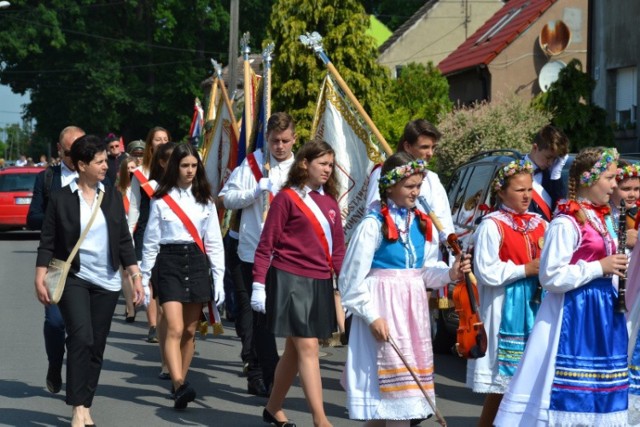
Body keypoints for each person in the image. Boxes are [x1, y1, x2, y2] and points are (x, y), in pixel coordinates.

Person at [494, 147, 629, 426]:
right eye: (610, 178)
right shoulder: (566, 222)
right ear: (588, 179)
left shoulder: (605, 218)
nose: (615, 185)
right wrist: (598, 267)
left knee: (601, 390)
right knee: (566, 390)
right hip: (574, 312)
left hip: (603, 313)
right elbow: (550, 277)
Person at [340, 152, 470, 426]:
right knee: (386, 400)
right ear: (389, 186)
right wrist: (372, 316)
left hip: (412, 314)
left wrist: (449, 273)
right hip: (383, 310)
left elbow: (421, 273)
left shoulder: (420, 224)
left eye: (418, 186)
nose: (416, 192)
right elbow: (350, 280)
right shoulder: (372, 224)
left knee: (399, 403)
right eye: (409, 186)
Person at [34, 134, 145, 427]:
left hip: (107, 281)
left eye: (106, 160)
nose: (106, 166)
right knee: (81, 337)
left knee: (96, 345)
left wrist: (135, 276)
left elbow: (123, 239)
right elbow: (47, 241)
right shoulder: (60, 198)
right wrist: (40, 275)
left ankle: (86, 404)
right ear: (82, 165)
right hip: (74, 278)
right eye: (99, 161)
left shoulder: (110, 196)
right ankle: (75, 407)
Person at [251, 138, 345, 427]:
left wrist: (347, 283)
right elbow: (266, 244)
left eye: (331, 164)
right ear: (305, 164)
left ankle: (273, 408)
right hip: (289, 278)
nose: (328, 169)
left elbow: (338, 250)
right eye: (322, 163)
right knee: (308, 347)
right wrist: (258, 284)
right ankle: (320, 419)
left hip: (319, 282)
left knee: (294, 351)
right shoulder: (287, 198)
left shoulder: (330, 203)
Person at [140, 143, 225, 409]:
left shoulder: (205, 200)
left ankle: (181, 383)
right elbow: (151, 241)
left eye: (193, 165)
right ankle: (178, 382)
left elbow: (213, 241)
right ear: (174, 167)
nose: (190, 170)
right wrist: (144, 278)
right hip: (169, 262)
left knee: (189, 331)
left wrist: (219, 276)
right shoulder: (160, 198)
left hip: (197, 263)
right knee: (174, 327)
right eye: (184, 165)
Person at [220, 112, 296, 396]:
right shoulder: (253, 163)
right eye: (274, 141)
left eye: (285, 141)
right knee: (253, 318)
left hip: (286, 255)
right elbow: (226, 198)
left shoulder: (301, 168)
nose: (279, 146)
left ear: (294, 139)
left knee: (282, 318)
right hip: (251, 252)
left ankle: (279, 369)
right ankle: (258, 373)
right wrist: (254, 192)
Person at [467, 159, 547, 427]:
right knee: (504, 383)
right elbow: (486, 271)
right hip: (506, 308)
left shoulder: (539, 222)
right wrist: (525, 269)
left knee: (531, 380)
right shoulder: (492, 225)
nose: (526, 196)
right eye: (519, 190)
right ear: (501, 192)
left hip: (536, 304)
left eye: (529, 190)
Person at [27, 125, 85, 395]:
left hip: (89, 261)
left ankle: (78, 386)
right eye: (71, 150)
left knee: (82, 330)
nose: (77, 155)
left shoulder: (97, 177)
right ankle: (54, 364)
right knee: (55, 321)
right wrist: (58, 215)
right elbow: (32, 217)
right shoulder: (47, 178)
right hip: (56, 261)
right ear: (60, 150)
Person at [365, 119, 454, 236]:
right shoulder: (385, 173)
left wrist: (454, 251)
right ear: (407, 146)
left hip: (430, 253)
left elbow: (445, 221)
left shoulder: (433, 179)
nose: (430, 153)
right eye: (425, 147)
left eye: (433, 147)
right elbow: (372, 216)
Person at [136, 142, 175, 379]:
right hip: (159, 251)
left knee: (182, 319)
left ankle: (177, 354)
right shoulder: (151, 186)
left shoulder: (192, 188)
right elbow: (139, 218)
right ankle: (165, 360)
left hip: (186, 256)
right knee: (164, 310)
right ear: (161, 161)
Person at [128, 126, 170, 343]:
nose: (162, 142)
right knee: (149, 279)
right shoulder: (140, 172)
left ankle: (167, 321)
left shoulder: (177, 169)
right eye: (157, 139)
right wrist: (127, 234)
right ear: (150, 144)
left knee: (164, 280)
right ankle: (153, 325)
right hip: (145, 229)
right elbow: (134, 205)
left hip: (169, 232)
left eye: (165, 139)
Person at [523, 124, 570, 222]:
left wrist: (556, 177)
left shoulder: (553, 178)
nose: (551, 163)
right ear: (535, 148)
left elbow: (560, 211)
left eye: (555, 159)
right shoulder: (514, 171)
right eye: (548, 157)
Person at [117, 155, 139, 322]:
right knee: (125, 273)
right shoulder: (118, 191)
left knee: (138, 273)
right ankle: (130, 308)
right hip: (124, 236)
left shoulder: (143, 190)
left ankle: (136, 297)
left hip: (140, 235)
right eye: (128, 169)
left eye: (134, 168)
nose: (131, 171)